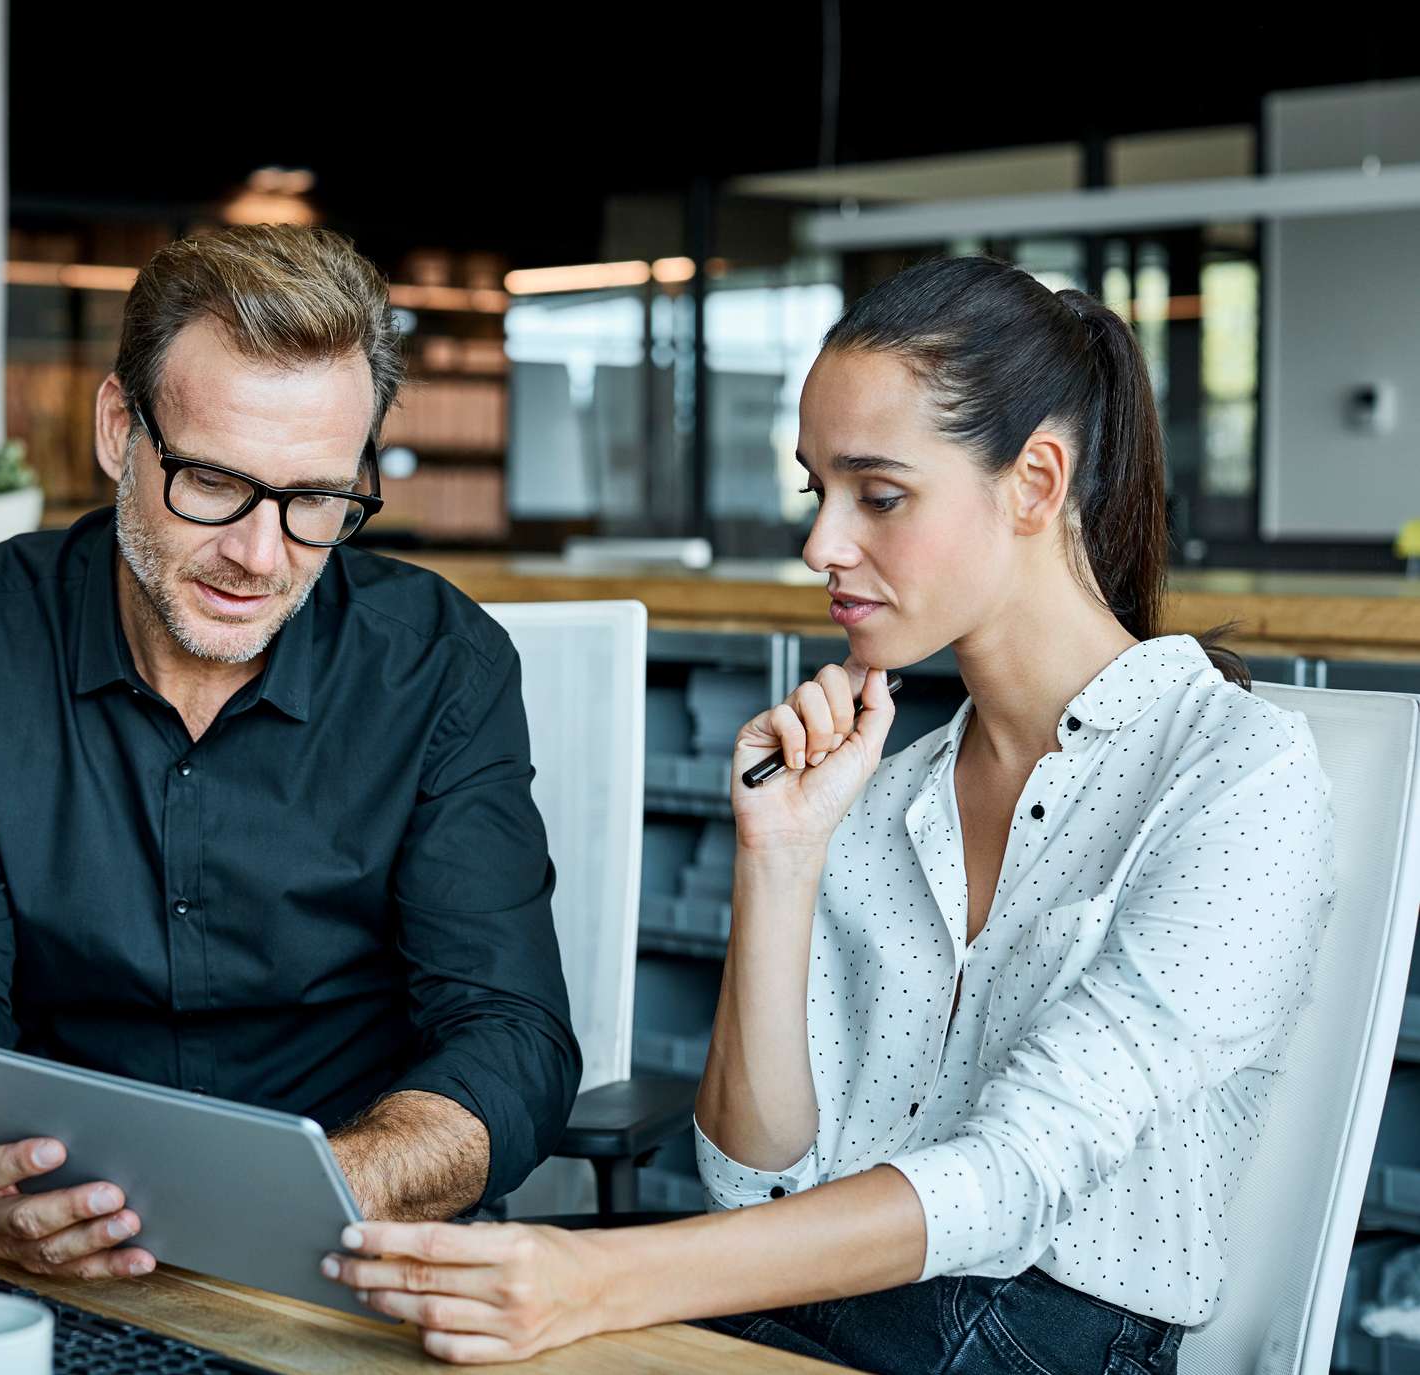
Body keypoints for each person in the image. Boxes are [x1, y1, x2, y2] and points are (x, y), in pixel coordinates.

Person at [320, 256, 1336, 1372]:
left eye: (879, 495)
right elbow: (750, 1178)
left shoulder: (1235, 775)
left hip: (1040, 1335)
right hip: (836, 1303)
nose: (820, 546)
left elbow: (1012, 1177)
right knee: (388, 1313)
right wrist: (782, 857)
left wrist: (599, 1281)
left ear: (1035, 482)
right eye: (818, 492)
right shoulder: (886, 789)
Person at [0, 225, 580, 1282]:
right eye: (209, 481)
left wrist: (331, 1186)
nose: (257, 554)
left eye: (315, 500)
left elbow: (509, 1036)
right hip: (47, 1235)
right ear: (118, 430)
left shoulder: (441, 665)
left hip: (349, 1247)